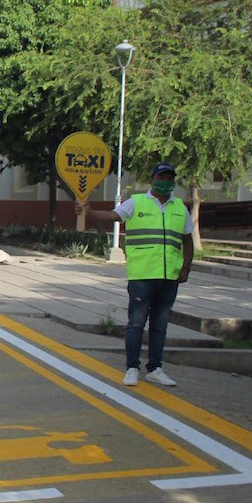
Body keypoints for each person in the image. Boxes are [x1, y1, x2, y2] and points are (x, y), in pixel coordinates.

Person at [76, 162, 193, 387]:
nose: (166, 182)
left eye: (170, 178)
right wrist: (88, 212)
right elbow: (112, 216)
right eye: (162, 177)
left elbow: (187, 241)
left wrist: (185, 268)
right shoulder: (136, 202)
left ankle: (155, 368)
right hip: (142, 276)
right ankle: (132, 368)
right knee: (136, 324)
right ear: (152, 180)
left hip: (170, 278)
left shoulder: (179, 207)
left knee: (160, 325)